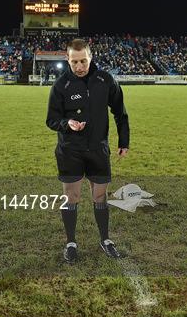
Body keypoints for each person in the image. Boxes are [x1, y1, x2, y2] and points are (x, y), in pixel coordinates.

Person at [46, 38, 130, 263]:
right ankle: (71, 243)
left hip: (98, 150)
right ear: (67, 59)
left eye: (83, 61)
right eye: (74, 62)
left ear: (91, 57)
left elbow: (120, 112)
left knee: (100, 195)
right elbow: (51, 120)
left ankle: (105, 240)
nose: (79, 66)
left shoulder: (105, 79)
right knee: (71, 197)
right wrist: (67, 124)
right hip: (70, 150)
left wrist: (124, 141)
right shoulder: (61, 85)